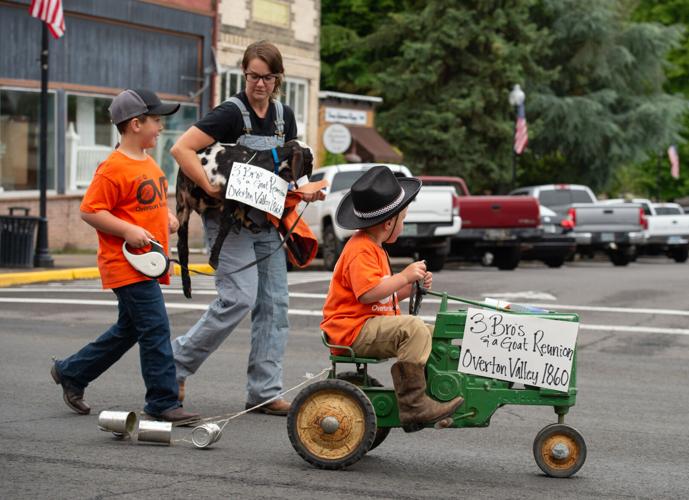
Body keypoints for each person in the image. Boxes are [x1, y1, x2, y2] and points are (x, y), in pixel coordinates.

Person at [170, 40, 324, 415]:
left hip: (267, 222)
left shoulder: (284, 116)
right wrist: (208, 187)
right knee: (239, 298)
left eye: (267, 77)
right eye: (253, 76)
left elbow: (281, 168)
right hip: (228, 225)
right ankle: (173, 364)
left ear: (277, 78)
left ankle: (264, 393)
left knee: (274, 306)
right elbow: (181, 149)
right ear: (244, 75)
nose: (260, 84)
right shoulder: (229, 113)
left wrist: (300, 192)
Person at [51, 89, 199, 424]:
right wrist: (128, 231)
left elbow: (147, 205)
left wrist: (167, 220)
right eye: (156, 120)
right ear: (135, 124)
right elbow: (90, 210)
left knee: (129, 329)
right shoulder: (112, 168)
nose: (160, 127)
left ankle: (71, 372)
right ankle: (162, 400)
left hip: (147, 263)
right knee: (156, 327)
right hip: (126, 264)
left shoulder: (148, 163)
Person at [321, 166, 464, 429]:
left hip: (366, 324)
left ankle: (433, 395)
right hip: (352, 330)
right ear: (389, 223)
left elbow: (382, 296)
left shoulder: (374, 247)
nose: (404, 224)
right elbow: (367, 295)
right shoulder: (361, 249)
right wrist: (405, 276)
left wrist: (410, 288)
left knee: (435, 333)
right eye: (403, 219)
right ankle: (414, 406)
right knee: (413, 328)